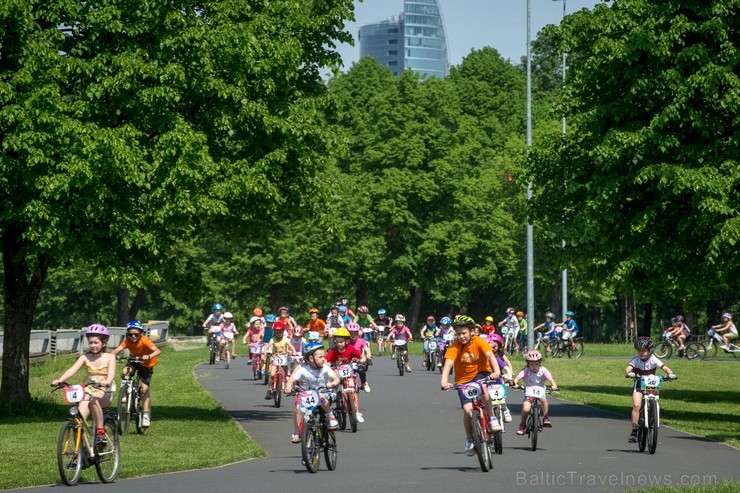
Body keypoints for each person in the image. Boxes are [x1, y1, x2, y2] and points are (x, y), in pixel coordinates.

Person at [440, 315, 502, 456]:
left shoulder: (479, 341)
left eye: (464, 333)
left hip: (481, 373)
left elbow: (491, 356)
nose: (461, 336)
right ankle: (469, 439)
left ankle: (492, 418)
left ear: (472, 331)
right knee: (468, 410)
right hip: (463, 380)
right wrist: (444, 381)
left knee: (483, 387)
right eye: (458, 334)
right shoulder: (455, 346)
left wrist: (496, 371)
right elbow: (448, 363)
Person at [52, 324, 116, 447]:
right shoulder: (85, 357)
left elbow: (112, 373)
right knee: (78, 420)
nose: (93, 345)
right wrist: (60, 380)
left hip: (104, 391)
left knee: (93, 401)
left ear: (103, 343)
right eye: (90, 342)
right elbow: (72, 370)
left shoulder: (110, 357)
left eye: (96, 342)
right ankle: (78, 455)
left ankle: (100, 433)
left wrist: (106, 381)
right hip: (89, 390)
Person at [284, 342, 341, 443]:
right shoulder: (304, 369)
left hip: (324, 394)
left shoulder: (325, 368)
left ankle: (330, 415)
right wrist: (288, 386)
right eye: (321, 357)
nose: (324, 359)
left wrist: (331, 384)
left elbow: (336, 379)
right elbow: (292, 379)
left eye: (323, 356)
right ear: (311, 359)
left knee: (321, 396)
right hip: (308, 396)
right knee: (298, 408)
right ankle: (297, 432)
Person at [111, 320, 161, 427]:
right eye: (130, 334)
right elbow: (116, 350)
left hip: (146, 364)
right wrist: (111, 356)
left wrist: (149, 356)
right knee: (125, 371)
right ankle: (125, 391)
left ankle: (146, 415)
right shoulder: (127, 341)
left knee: (144, 389)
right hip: (134, 360)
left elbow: (157, 351)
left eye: (136, 334)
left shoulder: (145, 340)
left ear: (141, 334)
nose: (133, 336)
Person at [625, 337, 675, 443]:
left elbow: (664, 367)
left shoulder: (653, 359)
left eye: (643, 350)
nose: (641, 353)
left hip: (651, 383)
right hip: (639, 382)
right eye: (639, 350)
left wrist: (670, 374)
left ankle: (655, 408)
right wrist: (630, 373)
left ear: (649, 351)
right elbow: (629, 367)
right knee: (637, 405)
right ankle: (634, 432)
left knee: (655, 393)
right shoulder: (636, 359)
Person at [326, 327, 367, 423]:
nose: (339, 344)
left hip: (348, 372)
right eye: (337, 342)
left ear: (346, 341)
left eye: (341, 342)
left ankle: (356, 412)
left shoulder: (351, 348)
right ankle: (334, 397)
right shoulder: (333, 350)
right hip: (337, 371)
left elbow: (362, 356)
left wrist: (362, 360)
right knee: (334, 386)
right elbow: (326, 360)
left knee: (352, 390)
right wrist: (327, 364)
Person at [513, 350, 558, 435]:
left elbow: (550, 379)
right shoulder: (526, 370)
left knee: (543, 399)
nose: (534, 366)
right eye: (531, 364)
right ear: (528, 364)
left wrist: (554, 385)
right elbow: (518, 378)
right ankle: (522, 425)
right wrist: (515, 383)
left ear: (539, 363)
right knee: (526, 408)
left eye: (536, 364)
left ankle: (545, 417)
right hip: (529, 392)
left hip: (540, 390)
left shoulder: (543, 370)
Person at [264, 321, 298, 400]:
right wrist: (265, 350)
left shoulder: (285, 339)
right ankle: (269, 389)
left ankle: (286, 385)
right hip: (275, 357)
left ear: (283, 332)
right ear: (274, 332)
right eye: (277, 332)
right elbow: (268, 345)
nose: (278, 334)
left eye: (280, 332)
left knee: (286, 372)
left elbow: (291, 346)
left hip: (283, 357)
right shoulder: (273, 339)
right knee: (272, 374)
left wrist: (294, 352)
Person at [486, 332, 514, 422]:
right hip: (485, 381)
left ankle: (505, 409)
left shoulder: (496, 357)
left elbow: (506, 367)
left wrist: (509, 377)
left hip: (497, 380)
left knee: (501, 399)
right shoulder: (480, 359)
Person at [348, 323, 373, 393]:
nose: (353, 335)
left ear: (358, 333)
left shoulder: (361, 340)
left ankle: (364, 383)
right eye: (351, 333)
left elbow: (367, 349)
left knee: (361, 370)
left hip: (358, 361)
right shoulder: (346, 341)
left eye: (355, 333)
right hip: (348, 362)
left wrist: (368, 354)